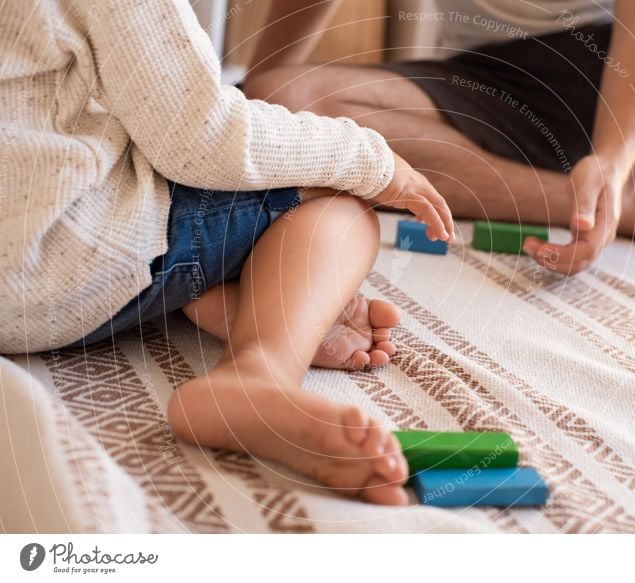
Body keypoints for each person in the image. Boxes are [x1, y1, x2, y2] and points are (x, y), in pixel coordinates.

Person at [0, 0, 457, 505]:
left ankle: (235, 294)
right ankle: (259, 371)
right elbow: (202, 136)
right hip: (46, 264)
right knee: (340, 205)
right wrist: (376, 162)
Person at [244, 0, 635, 277]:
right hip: (489, 81)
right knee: (284, 102)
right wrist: (250, 113)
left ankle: (611, 181)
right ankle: (627, 205)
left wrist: (612, 153)